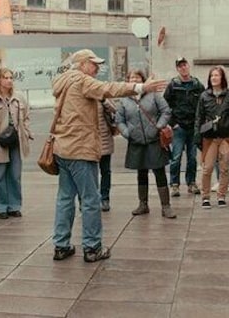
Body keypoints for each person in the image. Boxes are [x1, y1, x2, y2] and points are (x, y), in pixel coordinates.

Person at [50, 49, 167, 263]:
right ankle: (92, 247)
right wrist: (140, 87)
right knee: (91, 199)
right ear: (83, 64)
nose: (97, 68)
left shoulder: (63, 81)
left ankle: (61, 245)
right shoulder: (81, 80)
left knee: (65, 199)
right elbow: (109, 88)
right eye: (93, 64)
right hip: (80, 150)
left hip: (62, 149)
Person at [115, 69, 176, 218]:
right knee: (141, 173)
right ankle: (143, 204)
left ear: (143, 80)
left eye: (137, 78)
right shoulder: (124, 100)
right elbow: (119, 120)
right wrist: (127, 133)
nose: (134, 80)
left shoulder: (154, 95)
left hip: (154, 140)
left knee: (159, 172)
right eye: (131, 78)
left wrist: (159, 127)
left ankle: (166, 206)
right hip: (136, 141)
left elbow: (166, 111)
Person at [0, 67, 31, 219]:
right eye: (6, 77)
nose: (9, 80)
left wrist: (26, 132)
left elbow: (27, 116)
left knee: (15, 175)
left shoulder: (19, 97)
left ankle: (14, 205)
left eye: (11, 77)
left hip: (16, 142)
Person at [195, 66, 229, 208]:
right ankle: (205, 196)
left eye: (217, 75)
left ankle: (221, 195)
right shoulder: (204, 96)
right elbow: (199, 118)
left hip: (227, 137)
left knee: (224, 168)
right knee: (207, 168)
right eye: (212, 76)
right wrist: (197, 137)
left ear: (222, 78)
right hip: (210, 138)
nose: (214, 78)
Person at [163, 57, 205, 197]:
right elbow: (164, 106)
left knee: (192, 158)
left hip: (193, 127)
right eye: (180, 66)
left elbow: (203, 105)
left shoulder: (197, 85)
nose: (183, 68)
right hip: (178, 127)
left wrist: (200, 124)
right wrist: (172, 123)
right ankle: (174, 184)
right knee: (176, 157)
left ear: (189, 66)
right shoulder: (173, 85)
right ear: (177, 69)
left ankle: (191, 183)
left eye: (185, 65)